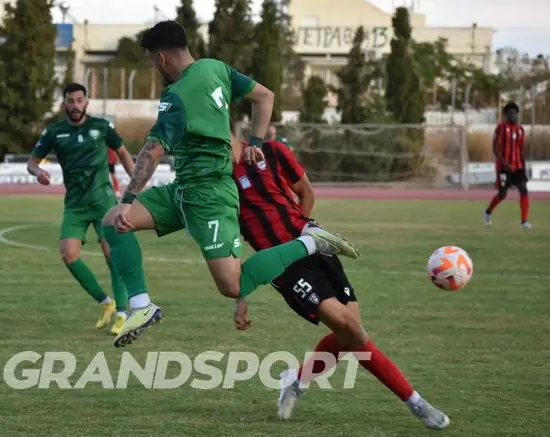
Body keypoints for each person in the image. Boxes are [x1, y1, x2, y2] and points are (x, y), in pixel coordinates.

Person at [101, 20, 360, 348]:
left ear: (162, 57)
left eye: (153, 60)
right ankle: (142, 306)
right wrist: (255, 141)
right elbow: (265, 97)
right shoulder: (216, 68)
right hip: (183, 189)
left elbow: (152, 151)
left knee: (233, 285)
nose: (155, 66)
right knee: (113, 221)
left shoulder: (176, 95)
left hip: (210, 195)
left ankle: (311, 242)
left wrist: (128, 198)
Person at [230, 136, 449, 429]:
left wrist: (303, 232)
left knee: (351, 334)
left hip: (316, 243)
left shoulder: (271, 151)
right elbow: (231, 244)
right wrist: (241, 296)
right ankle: (416, 403)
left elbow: (306, 191)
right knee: (353, 331)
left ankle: (296, 380)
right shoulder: (219, 181)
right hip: (283, 267)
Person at [27, 82, 136, 335]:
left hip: (103, 201)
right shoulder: (54, 132)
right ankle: (105, 302)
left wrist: (136, 184)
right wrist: (37, 172)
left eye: (79, 100)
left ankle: (122, 312)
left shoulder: (102, 126)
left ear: (86, 102)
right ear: (64, 103)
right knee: (68, 254)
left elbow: (122, 153)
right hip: (75, 204)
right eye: (70, 101)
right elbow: (32, 162)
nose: (75, 105)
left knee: (112, 255)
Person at [484, 102, 531, 229]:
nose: (512, 116)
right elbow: (495, 148)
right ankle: (488, 212)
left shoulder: (521, 130)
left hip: (518, 166)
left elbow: (521, 150)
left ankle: (524, 221)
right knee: (502, 194)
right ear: (505, 115)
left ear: (517, 114)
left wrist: (523, 167)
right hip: (503, 168)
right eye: (509, 113)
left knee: (523, 189)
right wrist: (505, 164)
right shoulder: (500, 128)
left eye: (514, 113)